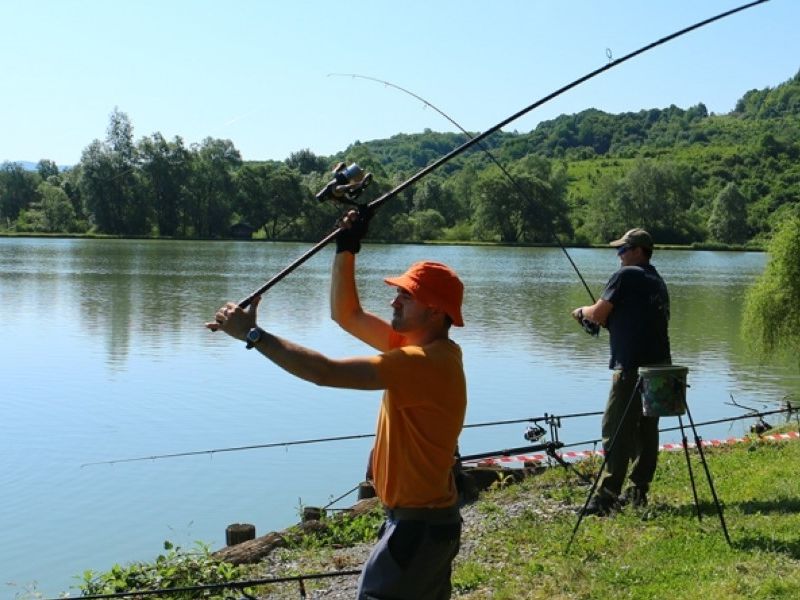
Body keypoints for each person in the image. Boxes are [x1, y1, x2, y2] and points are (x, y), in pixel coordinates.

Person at [207, 208, 467, 599]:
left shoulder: (420, 362)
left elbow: (325, 372)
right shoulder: (425, 349)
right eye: (397, 291)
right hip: (423, 525)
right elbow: (346, 314)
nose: (394, 301)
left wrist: (254, 334)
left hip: (419, 528)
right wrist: (346, 247)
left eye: (406, 295)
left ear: (434, 310)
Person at [571, 227, 671, 516]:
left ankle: (606, 496)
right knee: (646, 431)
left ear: (638, 250)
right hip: (660, 365)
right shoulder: (656, 280)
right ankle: (638, 491)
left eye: (622, 250)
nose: (618, 256)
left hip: (631, 368)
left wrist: (581, 312)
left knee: (614, 428)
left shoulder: (626, 276)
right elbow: (633, 318)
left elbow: (599, 313)